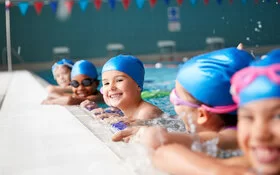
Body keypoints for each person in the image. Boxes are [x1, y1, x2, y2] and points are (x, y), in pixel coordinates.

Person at [151, 49, 280, 175]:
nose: (259, 134)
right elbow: (163, 155)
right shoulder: (251, 160)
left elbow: (160, 143)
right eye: (248, 117)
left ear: (202, 114)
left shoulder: (231, 136)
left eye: (277, 117)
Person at [139, 47, 254, 150]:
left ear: (202, 115)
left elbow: (160, 140)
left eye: (176, 97)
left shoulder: (231, 137)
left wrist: (153, 134)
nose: (171, 99)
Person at [93, 55, 163, 141]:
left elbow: (146, 126)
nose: (111, 87)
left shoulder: (147, 112)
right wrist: (118, 117)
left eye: (119, 80)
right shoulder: (129, 111)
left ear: (138, 85)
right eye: (106, 83)